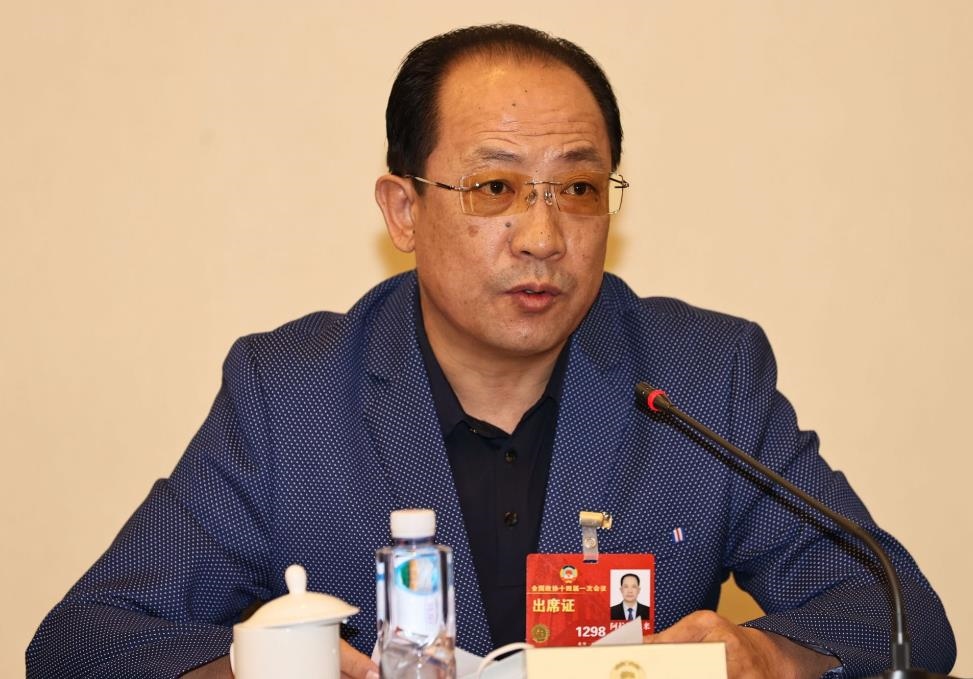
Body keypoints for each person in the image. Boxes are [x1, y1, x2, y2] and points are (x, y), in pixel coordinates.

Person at [27, 23, 955, 679]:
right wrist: (262, 667)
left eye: (578, 189)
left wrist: (766, 655)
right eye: (494, 189)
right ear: (403, 210)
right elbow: (83, 640)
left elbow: (899, 611)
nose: (543, 237)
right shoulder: (290, 396)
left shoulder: (703, 378)